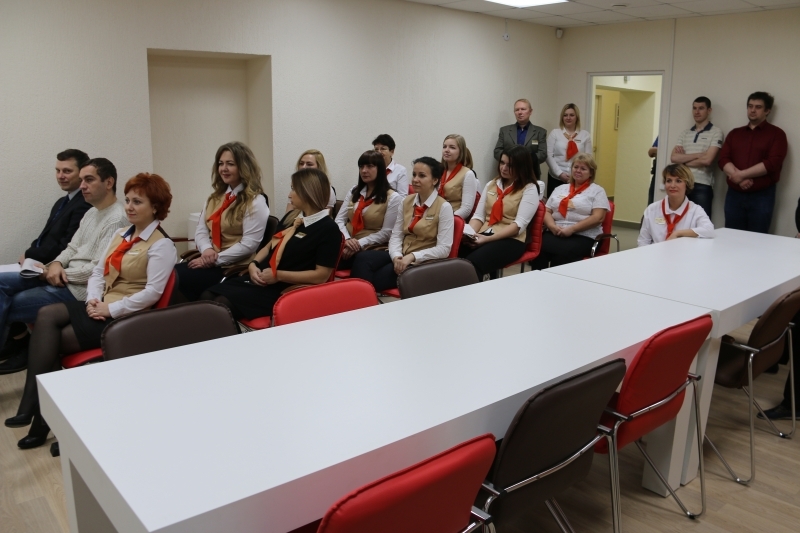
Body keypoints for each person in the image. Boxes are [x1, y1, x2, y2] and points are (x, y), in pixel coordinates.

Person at [4, 173, 176, 449]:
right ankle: (38, 412)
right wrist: (93, 300)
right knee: (46, 315)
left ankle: (40, 417)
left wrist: (110, 309)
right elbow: (98, 272)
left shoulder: (162, 245)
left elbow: (152, 294)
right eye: (128, 200)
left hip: (127, 316)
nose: (129, 207)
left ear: (155, 207)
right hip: (101, 304)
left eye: (137, 202)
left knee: (52, 342)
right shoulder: (121, 234)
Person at [0, 158, 127, 374]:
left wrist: (55, 273)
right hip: (61, 278)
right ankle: (21, 349)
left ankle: (23, 351)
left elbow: (97, 271)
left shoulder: (117, 219)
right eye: (82, 180)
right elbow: (71, 247)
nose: (82, 186)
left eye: (89, 180)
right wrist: (56, 264)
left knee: (8, 303)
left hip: (77, 290)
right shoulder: (91, 212)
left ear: (108, 182)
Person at [201, 168, 342, 320]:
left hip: (285, 288)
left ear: (307, 192)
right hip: (263, 279)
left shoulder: (328, 229)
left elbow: (321, 276)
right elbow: (270, 245)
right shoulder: (292, 218)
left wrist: (278, 276)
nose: (289, 195)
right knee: (207, 297)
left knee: (222, 305)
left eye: (293, 189)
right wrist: (253, 264)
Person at [175, 142, 269, 301]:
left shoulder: (255, 202)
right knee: (170, 275)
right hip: (210, 259)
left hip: (232, 267)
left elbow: (249, 245)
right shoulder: (214, 198)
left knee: (178, 279)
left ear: (244, 167)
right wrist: (206, 250)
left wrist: (214, 260)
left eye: (230, 164)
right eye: (221, 163)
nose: (224, 168)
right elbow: (201, 230)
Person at [351, 157, 454, 292]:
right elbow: (396, 235)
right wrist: (396, 256)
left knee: (374, 278)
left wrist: (412, 257)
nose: (415, 179)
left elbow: (444, 249)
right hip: (401, 254)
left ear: (435, 180)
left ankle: (362, 298)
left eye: (422, 176)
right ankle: (361, 298)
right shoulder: (406, 201)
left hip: (421, 261)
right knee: (362, 258)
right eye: (414, 174)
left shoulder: (444, 207)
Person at [461, 146, 540, 280]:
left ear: (521, 166)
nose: (503, 168)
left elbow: (518, 226)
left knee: (472, 263)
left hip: (511, 240)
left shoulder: (529, 188)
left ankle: (475, 292)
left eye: (510, 165)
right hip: (485, 232)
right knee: (456, 255)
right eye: (502, 163)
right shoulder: (492, 184)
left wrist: (486, 239)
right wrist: (470, 234)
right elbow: (479, 216)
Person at [719, 91, 788, 233]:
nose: (752, 110)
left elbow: (772, 162)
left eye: (758, 107)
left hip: (762, 196)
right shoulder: (735, 133)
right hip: (734, 195)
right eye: (750, 106)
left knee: (758, 239)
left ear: (767, 110)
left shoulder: (777, 134)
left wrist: (741, 175)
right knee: (731, 237)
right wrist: (739, 178)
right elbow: (723, 158)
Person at [530, 153, 609, 269]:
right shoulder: (560, 189)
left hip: (583, 235)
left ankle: (558, 280)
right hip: (556, 232)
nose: (578, 171)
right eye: (576, 167)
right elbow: (546, 211)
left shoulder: (597, 191)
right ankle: (538, 279)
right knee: (538, 249)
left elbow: (598, 217)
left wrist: (572, 229)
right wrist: (552, 226)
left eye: (583, 169)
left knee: (563, 254)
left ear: (591, 173)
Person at [18, 149, 93, 266]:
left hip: (54, 268)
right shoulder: (61, 202)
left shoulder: (85, 204)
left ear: (82, 173)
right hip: (35, 263)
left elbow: (66, 246)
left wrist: (29, 255)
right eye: (58, 171)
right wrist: (30, 253)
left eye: (67, 171)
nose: (60, 176)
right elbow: (44, 237)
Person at [334, 150, 401, 270]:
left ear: (380, 169)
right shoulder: (354, 191)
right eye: (361, 166)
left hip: (370, 247)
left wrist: (358, 244)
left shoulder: (393, 197)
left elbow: (387, 232)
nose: (364, 170)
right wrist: (347, 240)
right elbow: (339, 220)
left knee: (360, 260)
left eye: (370, 166)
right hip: (347, 243)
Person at [670, 97, 724, 217]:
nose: (697, 112)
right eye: (694, 108)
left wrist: (683, 160)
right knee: (679, 221)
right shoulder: (685, 133)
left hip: (702, 185)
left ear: (709, 110)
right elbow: (674, 158)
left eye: (701, 108)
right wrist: (697, 155)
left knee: (701, 223)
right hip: (682, 183)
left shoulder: (716, 132)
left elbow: (707, 160)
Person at [638, 164, 714, 246]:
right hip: (655, 253)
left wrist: (678, 233)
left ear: (687, 184)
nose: (672, 185)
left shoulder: (695, 210)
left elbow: (709, 230)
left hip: (683, 253)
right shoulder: (652, 209)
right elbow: (643, 241)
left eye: (678, 181)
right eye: (669, 181)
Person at [546, 104, 592, 199]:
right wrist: (560, 173)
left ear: (577, 117)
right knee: (554, 204)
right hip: (556, 178)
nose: (568, 118)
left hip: (577, 179)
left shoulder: (585, 135)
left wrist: (576, 175)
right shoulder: (555, 133)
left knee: (574, 204)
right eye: (565, 115)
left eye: (571, 115)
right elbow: (548, 155)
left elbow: (588, 158)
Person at [494, 99, 547, 182]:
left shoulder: (540, 132)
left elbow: (543, 154)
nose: (520, 112)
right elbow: (497, 151)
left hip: (531, 173)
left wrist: (523, 160)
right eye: (517, 110)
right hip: (508, 174)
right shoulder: (504, 131)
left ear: (530, 111)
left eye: (523, 109)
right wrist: (511, 160)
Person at [281, 149, 337, 228]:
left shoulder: (328, 190)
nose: (304, 167)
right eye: (301, 163)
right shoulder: (295, 187)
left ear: (319, 167)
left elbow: (322, 220)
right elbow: (288, 216)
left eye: (309, 164)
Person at [439, 134, 478, 219]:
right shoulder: (438, 170)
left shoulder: (468, 174)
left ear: (461, 152)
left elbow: (466, 209)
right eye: (444, 147)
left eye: (452, 147)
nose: (446, 150)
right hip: (435, 215)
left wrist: (447, 219)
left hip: (454, 218)